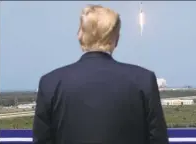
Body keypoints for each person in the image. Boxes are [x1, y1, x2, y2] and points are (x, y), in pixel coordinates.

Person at [33, 5, 169, 144]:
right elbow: (158, 138)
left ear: (80, 35)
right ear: (116, 39)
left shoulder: (50, 83)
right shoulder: (144, 80)